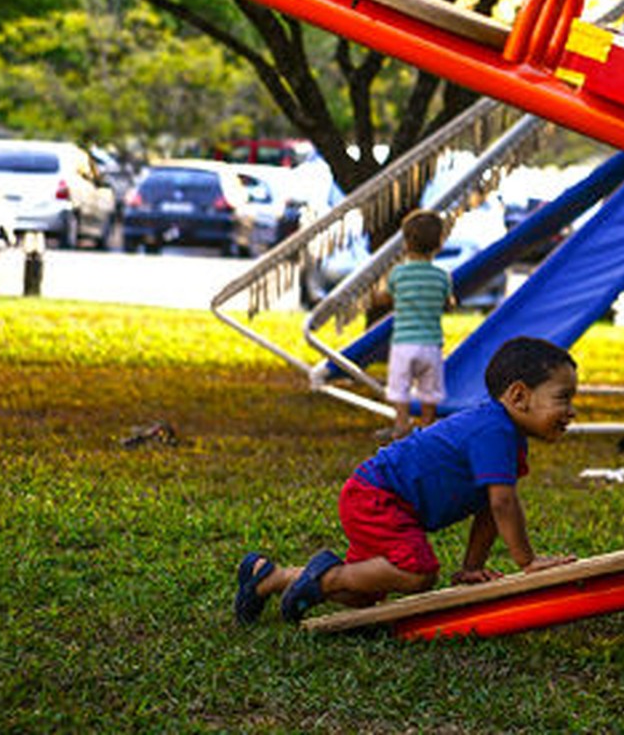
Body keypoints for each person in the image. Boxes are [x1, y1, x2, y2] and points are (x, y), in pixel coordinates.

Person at [233, 336, 579, 625]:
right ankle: (323, 577)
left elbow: (490, 509)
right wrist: (528, 562)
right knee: (418, 573)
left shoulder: (507, 439)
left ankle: (268, 577)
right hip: (378, 495)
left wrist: (472, 567)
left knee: (362, 595)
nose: (572, 410)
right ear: (518, 396)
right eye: (563, 398)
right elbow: (503, 504)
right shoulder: (494, 431)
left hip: (383, 498)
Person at [381, 208, 455, 440]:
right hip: (431, 343)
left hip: (403, 343)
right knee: (429, 390)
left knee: (399, 386)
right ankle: (427, 425)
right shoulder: (442, 276)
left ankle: (401, 424)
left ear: (406, 243)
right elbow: (449, 303)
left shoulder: (398, 274)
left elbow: (386, 297)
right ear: (439, 244)